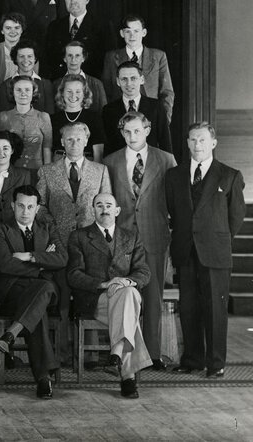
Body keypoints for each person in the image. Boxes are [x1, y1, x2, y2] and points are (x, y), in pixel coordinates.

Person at [165, 121, 246, 378]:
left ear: (213, 143)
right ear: (187, 143)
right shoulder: (174, 175)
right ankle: (192, 360)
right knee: (189, 307)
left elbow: (236, 217)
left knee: (215, 309)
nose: (197, 144)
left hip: (215, 252)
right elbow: (174, 210)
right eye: (193, 139)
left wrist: (215, 238)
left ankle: (215, 363)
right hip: (185, 251)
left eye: (202, 140)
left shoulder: (230, 175)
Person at [103, 111, 177, 369]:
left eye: (137, 130)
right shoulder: (111, 161)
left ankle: (153, 354)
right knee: (123, 293)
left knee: (153, 295)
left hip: (155, 234)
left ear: (147, 130)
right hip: (122, 238)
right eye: (127, 131)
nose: (132, 136)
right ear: (121, 133)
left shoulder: (165, 159)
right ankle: (124, 354)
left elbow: (174, 198)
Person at [36, 121, 112, 359]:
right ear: (62, 141)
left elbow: (106, 204)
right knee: (62, 299)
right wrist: (53, 226)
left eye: (79, 139)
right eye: (69, 139)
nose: (74, 143)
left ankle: (90, 356)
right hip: (59, 243)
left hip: (90, 244)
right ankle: (60, 354)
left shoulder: (100, 170)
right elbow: (39, 206)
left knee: (89, 295)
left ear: (86, 141)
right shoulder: (47, 171)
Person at [67, 193, 152, 398]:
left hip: (125, 296)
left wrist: (125, 282)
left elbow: (143, 271)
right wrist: (104, 284)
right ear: (93, 210)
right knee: (129, 309)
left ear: (117, 210)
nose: (104, 209)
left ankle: (116, 354)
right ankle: (127, 376)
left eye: (108, 205)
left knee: (128, 293)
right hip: (96, 300)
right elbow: (73, 274)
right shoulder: (79, 236)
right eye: (99, 205)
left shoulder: (132, 236)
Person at [0, 185, 67, 400]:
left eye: (30, 207)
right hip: (11, 294)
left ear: (37, 208)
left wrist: (30, 256)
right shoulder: (0, 229)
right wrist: (43, 265)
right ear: (12, 205)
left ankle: (11, 333)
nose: (25, 211)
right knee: (39, 303)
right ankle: (43, 378)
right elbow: (5, 264)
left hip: (45, 295)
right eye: (21, 206)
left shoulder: (48, 228)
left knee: (42, 291)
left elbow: (62, 258)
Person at [102, 15, 175, 122]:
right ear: (122, 33)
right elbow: (106, 91)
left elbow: (167, 92)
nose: (132, 35)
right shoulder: (111, 57)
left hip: (151, 117)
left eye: (136, 31)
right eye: (128, 31)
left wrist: (164, 121)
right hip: (121, 118)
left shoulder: (158, 56)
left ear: (144, 32)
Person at [42, 0, 116, 79]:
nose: (73, 1)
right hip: (61, 83)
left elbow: (109, 63)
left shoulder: (102, 26)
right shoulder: (54, 26)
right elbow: (48, 60)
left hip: (90, 83)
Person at [101, 60, 172, 154]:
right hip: (119, 162)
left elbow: (165, 142)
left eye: (133, 78)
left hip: (149, 161)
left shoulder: (156, 107)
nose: (129, 83)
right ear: (118, 81)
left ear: (142, 80)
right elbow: (107, 147)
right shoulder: (108, 110)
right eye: (124, 79)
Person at [0, 75, 53, 176]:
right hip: (11, 172)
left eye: (27, 90)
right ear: (12, 92)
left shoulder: (43, 117)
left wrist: (47, 174)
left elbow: (47, 148)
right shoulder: (4, 117)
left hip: (37, 172)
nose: (23, 94)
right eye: (18, 90)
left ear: (33, 92)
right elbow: (0, 148)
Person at [0, 131, 33, 229]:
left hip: (15, 229)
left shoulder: (24, 175)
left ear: (12, 150)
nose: (1, 153)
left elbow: (27, 206)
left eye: (5, 148)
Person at [51, 75, 105, 161]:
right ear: (62, 93)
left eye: (78, 92)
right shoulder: (53, 119)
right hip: (59, 162)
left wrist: (95, 169)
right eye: (69, 91)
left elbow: (98, 152)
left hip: (86, 162)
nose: (73, 95)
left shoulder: (94, 117)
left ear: (84, 94)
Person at [0, 40, 54, 114]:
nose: (26, 60)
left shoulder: (46, 85)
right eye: (21, 56)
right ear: (15, 59)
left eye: (30, 56)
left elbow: (50, 115)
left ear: (35, 58)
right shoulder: (4, 86)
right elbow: (4, 117)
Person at [57, 40, 107, 110]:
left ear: (83, 58)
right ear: (64, 58)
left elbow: (104, 111)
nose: (73, 60)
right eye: (70, 55)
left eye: (77, 55)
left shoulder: (96, 84)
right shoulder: (56, 84)